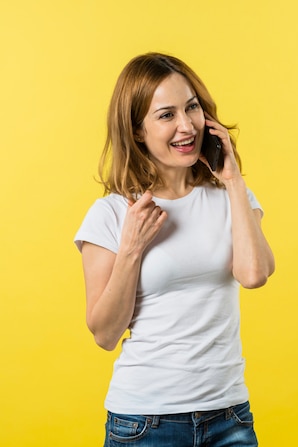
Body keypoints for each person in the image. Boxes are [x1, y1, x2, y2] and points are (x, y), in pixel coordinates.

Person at [74, 52, 275, 447]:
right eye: (166, 115)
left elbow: (254, 275)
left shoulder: (232, 197)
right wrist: (132, 247)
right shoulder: (113, 213)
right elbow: (105, 333)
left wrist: (232, 180)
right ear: (137, 131)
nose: (186, 126)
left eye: (192, 108)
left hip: (229, 414)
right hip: (145, 421)